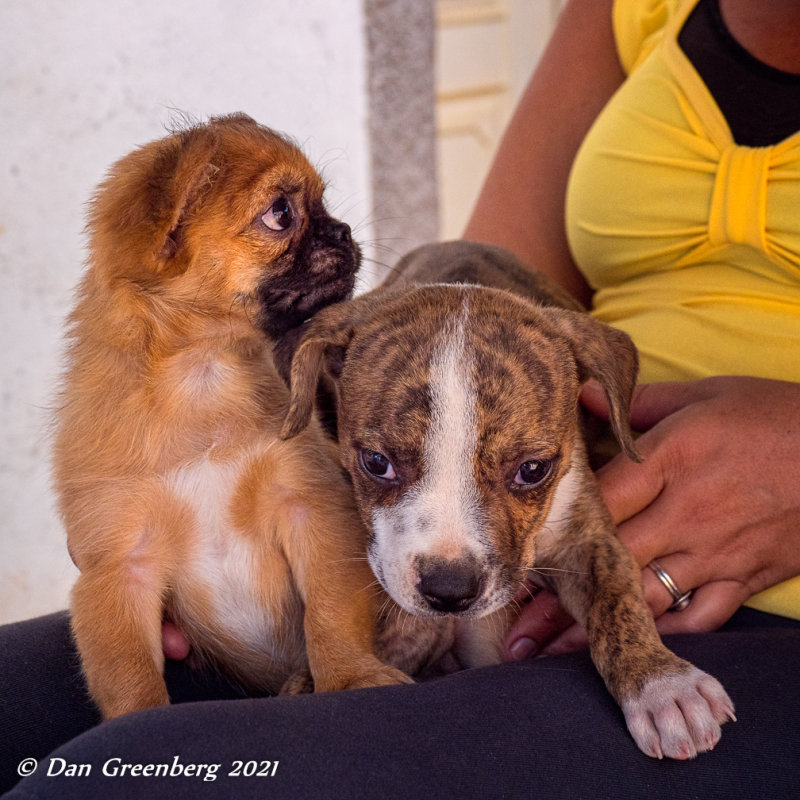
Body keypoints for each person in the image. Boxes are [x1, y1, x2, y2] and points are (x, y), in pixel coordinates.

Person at [2, 1, 799, 797]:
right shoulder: (632, 9)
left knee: (106, 783)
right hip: (433, 555)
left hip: (743, 604)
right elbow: (481, 282)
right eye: (280, 216)